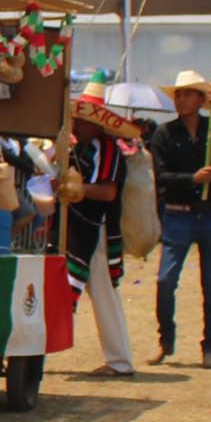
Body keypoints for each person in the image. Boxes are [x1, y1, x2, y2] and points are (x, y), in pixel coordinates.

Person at [146, 70, 211, 367]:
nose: (180, 99)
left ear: (201, 99)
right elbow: (161, 175)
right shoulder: (164, 133)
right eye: (178, 94)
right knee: (166, 281)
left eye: (188, 94)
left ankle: (210, 347)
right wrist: (192, 179)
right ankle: (166, 340)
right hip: (178, 216)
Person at [56, 82, 138, 375]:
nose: (76, 122)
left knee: (103, 292)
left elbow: (108, 193)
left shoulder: (109, 150)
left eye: (82, 118)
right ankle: (118, 359)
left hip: (98, 228)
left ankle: (120, 361)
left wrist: (78, 189)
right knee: (68, 288)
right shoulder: (73, 147)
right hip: (75, 226)